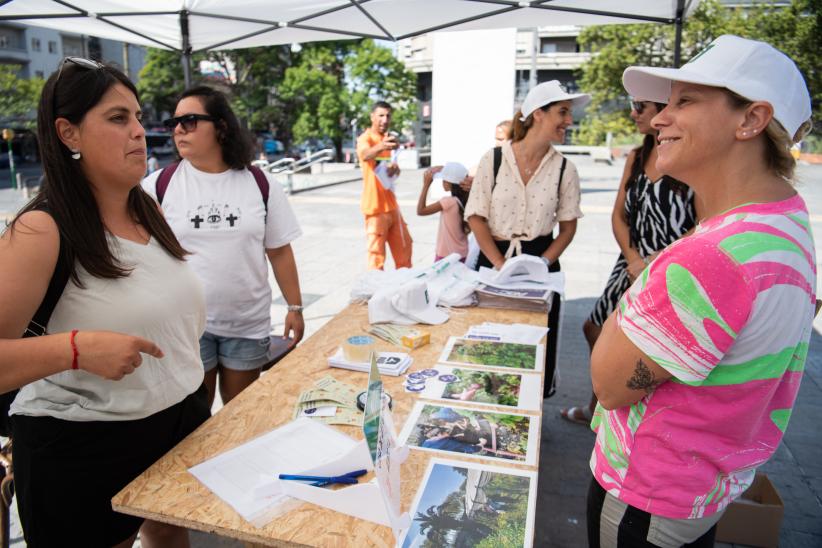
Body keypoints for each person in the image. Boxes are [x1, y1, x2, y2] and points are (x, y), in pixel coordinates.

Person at [588, 35, 814, 548]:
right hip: (701, 488)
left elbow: (608, 382)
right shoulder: (782, 222)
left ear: (751, 120)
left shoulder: (712, 257)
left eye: (684, 101)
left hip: (647, 494)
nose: (659, 118)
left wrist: (641, 284)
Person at [0, 58, 210, 547]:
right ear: (68, 133)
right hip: (84, 445)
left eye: (138, 116)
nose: (139, 131)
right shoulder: (40, 229)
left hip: (176, 420)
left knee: (169, 538)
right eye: (118, 119)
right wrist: (73, 349)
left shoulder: (148, 208)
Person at [142, 86, 304, 407]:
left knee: (237, 413)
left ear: (221, 126)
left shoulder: (259, 183)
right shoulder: (157, 186)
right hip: (187, 326)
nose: (177, 129)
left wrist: (295, 307)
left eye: (188, 121)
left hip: (247, 323)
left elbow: (279, 250)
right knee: (195, 420)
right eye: (173, 122)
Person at [560, 99, 697, 425]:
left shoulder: (691, 159)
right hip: (631, 261)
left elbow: (704, 223)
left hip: (669, 265)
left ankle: (624, 416)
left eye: (641, 106)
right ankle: (599, 407)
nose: (634, 113)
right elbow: (619, 215)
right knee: (594, 327)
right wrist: (634, 258)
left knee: (641, 342)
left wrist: (652, 261)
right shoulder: (636, 156)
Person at [465, 80, 589, 397]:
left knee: (532, 352)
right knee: (487, 346)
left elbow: (568, 228)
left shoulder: (565, 169)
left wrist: (540, 264)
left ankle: (526, 425)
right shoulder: (493, 159)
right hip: (493, 258)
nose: (569, 121)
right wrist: (499, 263)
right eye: (562, 112)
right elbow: (476, 216)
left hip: (540, 261)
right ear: (538, 114)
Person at [356, 101, 413, 270]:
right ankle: (375, 293)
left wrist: (395, 170)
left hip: (392, 206)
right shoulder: (365, 138)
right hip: (375, 209)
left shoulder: (386, 139)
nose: (385, 119)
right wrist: (381, 146)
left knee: (405, 250)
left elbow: (392, 171)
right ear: (372, 117)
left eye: (388, 115)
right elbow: (365, 155)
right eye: (381, 115)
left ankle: (403, 289)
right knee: (376, 259)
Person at [416, 162, 471, 262]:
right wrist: (443, 168)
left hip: (446, 255)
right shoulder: (466, 199)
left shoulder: (448, 202)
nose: (442, 183)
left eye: (444, 180)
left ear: (450, 183)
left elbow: (420, 211)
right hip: (462, 253)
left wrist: (426, 185)